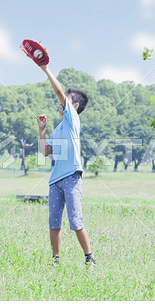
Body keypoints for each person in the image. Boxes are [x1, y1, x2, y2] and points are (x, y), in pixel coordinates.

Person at [35, 63, 96, 267]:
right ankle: (56, 260)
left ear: (74, 106)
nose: (60, 104)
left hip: (71, 177)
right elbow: (45, 152)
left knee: (75, 220)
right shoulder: (59, 128)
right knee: (54, 222)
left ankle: (89, 258)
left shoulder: (72, 121)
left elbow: (59, 91)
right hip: (55, 181)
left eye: (65, 102)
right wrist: (42, 130)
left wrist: (45, 69)